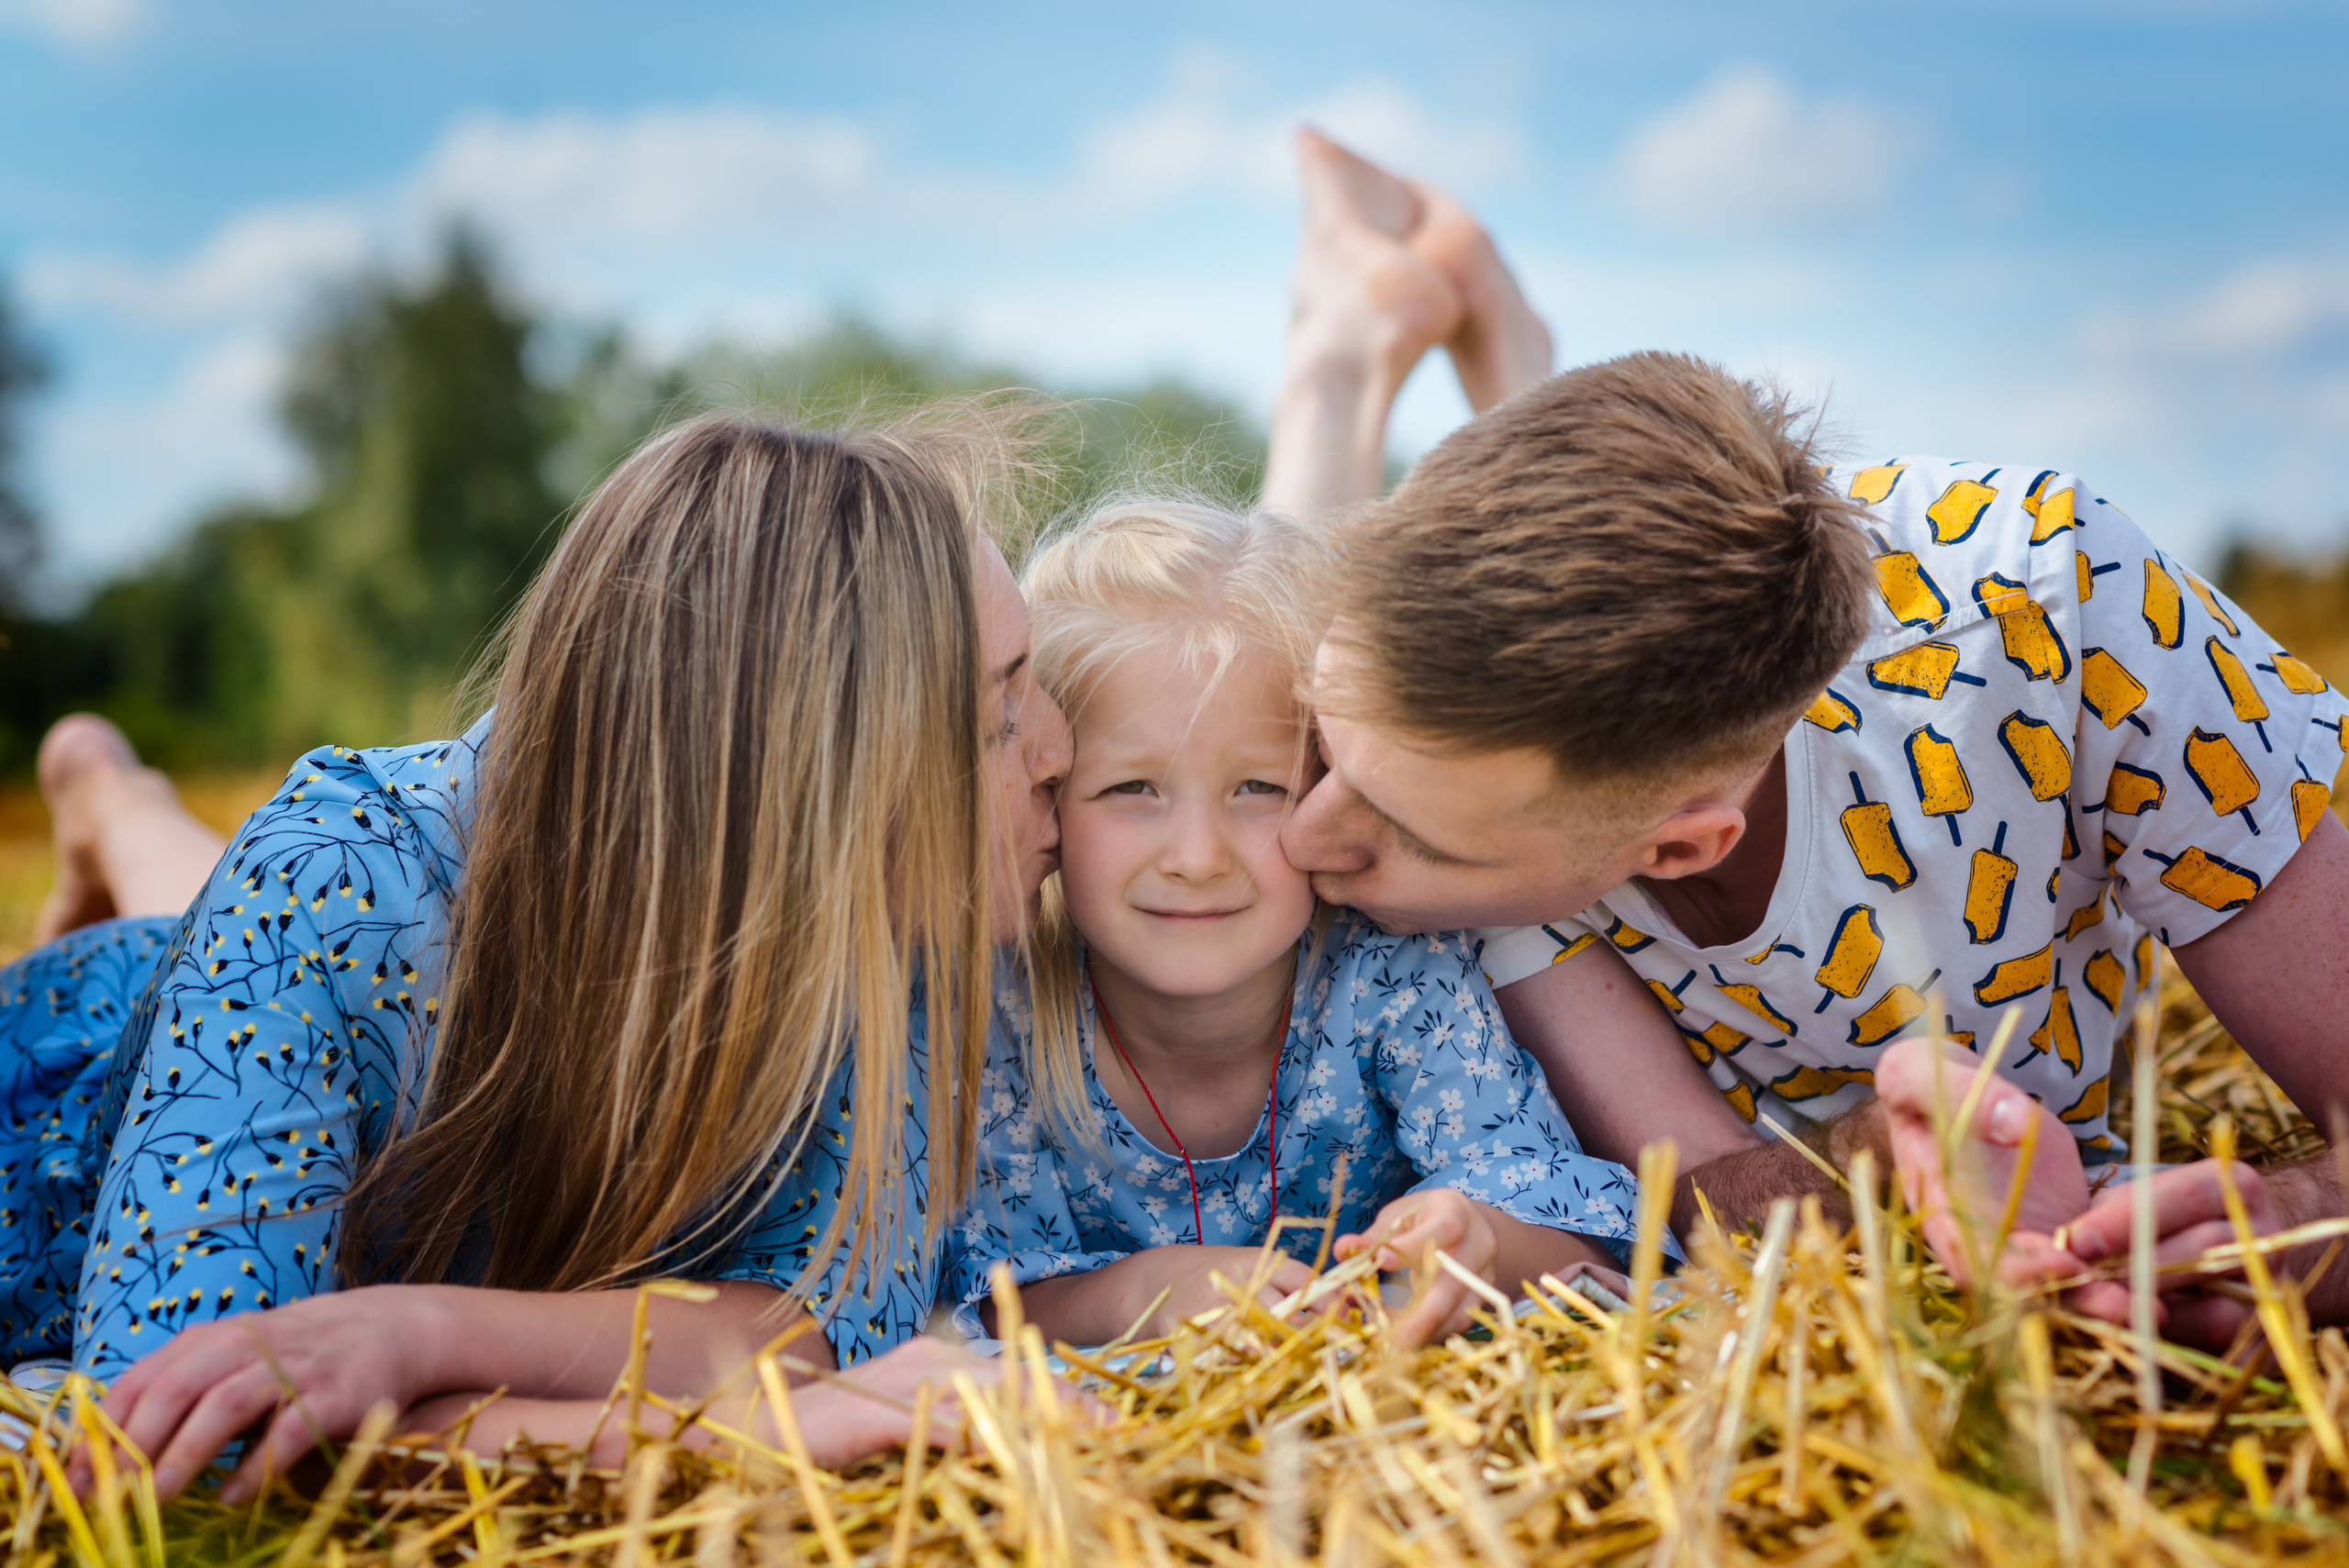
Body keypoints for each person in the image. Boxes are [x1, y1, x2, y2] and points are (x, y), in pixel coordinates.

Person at [1262, 130, 2349, 1349]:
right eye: (1334, 748)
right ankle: (1344, 357)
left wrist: (2296, 1230)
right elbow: (1713, 1200)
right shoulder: (1484, 778)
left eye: (1403, 829)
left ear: (1676, 847)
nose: (1302, 836)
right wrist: (1868, 1158)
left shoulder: (2075, 622)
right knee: (1249, 643)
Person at [1, 406, 1075, 1498]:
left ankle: (110, 791)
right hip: (67, 1077)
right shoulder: (336, 881)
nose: (1062, 751)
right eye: (996, 715)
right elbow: (192, 1434)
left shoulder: (873, 921)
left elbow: (816, 1325)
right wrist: (742, 1434)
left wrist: (419, 1331)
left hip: (340, 959)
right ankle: (109, 787)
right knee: (308, 922)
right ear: (807, 786)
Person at [943, 498, 1651, 1351]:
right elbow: (988, 1304)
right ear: (1049, 790)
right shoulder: (1001, 1020)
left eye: (1258, 789)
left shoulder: (1396, 977)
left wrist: (1480, 1241)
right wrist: (1150, 1287)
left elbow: (1573, 1234)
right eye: (1133, 789)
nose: (1198, 857)